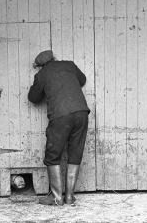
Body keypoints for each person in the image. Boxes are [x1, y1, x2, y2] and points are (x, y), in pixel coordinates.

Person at [28, 50, 89, 206]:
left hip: (61, 116)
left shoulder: (41, 75)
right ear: (54, 58)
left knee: (53, 154)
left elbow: (33, 98)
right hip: (82, 112)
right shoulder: (69, 65)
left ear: (39, 66)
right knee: (75, 152)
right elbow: (82, 80)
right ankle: (69, 197)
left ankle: (56, 198)